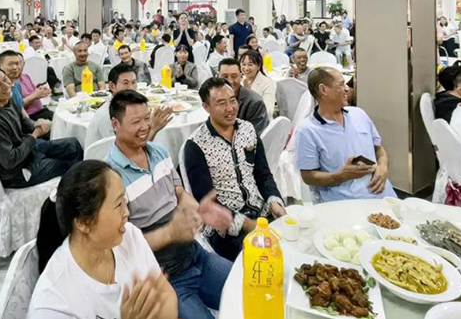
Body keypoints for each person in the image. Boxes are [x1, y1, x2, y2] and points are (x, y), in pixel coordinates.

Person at [103, 91, 233, 319]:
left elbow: (180, 193)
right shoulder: (110, 178)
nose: (145, 127)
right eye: (136, 121)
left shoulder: (159, 152)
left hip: (196, 255)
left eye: (147, 118)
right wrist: (170, 233)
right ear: (116, 124)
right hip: (166, 277)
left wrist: (197, 211)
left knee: (248, 286)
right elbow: (121, 247)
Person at [28, 160, 178, 319]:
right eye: (118, 204)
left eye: (124, 200)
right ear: (84, 222)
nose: (126, 212)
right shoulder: (52, 303)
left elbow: (167, 297)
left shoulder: (129, 236)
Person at [184, 78, 285, 260]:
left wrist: (274, 201)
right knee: (262, 259)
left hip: (260, 212)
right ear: (206, 107)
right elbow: (207, 203)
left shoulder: (247, 129)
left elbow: (263, 174)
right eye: (221, 103)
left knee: (292, 244)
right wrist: (246, 224)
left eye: (232, 100)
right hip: (225, 227)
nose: (230, 108)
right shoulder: (196, 145)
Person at [296, 67, 397, 201]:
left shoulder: (359, 114)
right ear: (324, 90)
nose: (347, 89)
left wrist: (383, 167)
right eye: (341, 84)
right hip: (346, 201)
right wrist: (341, 176)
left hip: (383, 194)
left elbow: (378, 149)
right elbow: (308, 176)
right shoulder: (308, 130)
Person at [0, 66, 82, 188]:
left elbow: (23, 121)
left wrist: (35, 124)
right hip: (16, 172)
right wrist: (35, 135)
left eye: (5, 79)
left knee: (73, 144)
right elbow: (10, 161)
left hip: (27, 151)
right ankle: (76, 192)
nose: (6, 85)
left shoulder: (6, 98)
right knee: (68, 164)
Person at [84, 64, 173, 148]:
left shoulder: (122, 106)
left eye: (134, 82)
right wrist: (153, 129)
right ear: (112, 86)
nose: (131, 88)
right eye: (125, 83)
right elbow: (127, 152)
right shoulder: (107, 115)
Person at [0, 51, 54, 122]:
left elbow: (20, 108)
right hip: (29, 116)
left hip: (38, 112)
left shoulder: (18, 82)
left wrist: (41, 90)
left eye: (17, 63)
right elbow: (14, 111)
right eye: (10, 64)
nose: (15, 67)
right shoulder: (2, 87)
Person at [217, 58, 269, 135]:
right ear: (217, 76)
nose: (230, 81)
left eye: (234, 76)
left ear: (241, 76)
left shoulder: (254, 102)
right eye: (225, 76)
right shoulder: (214, 98)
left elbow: (255, 136)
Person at [240, 50, 275, 120]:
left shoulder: (267, 83)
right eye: (243, 64)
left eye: (250, 65)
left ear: (258, 66)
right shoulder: (240, 81)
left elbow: (269, 110)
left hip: (261, 121)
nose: (246, 68)